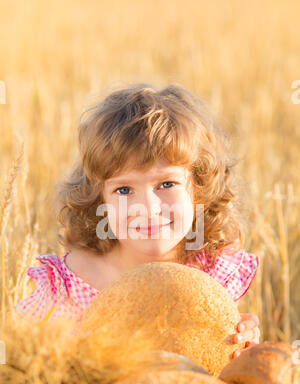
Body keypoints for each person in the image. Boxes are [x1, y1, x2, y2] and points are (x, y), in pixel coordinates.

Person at [14, 82, 260, 358]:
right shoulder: (68, 288)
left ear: (199, 190)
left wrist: (242, 342)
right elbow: (23, 361)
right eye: (124, 190)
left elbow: (212, 361)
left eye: (166, 184)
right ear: (101, 202)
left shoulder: (209, 274)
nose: (147, 207)